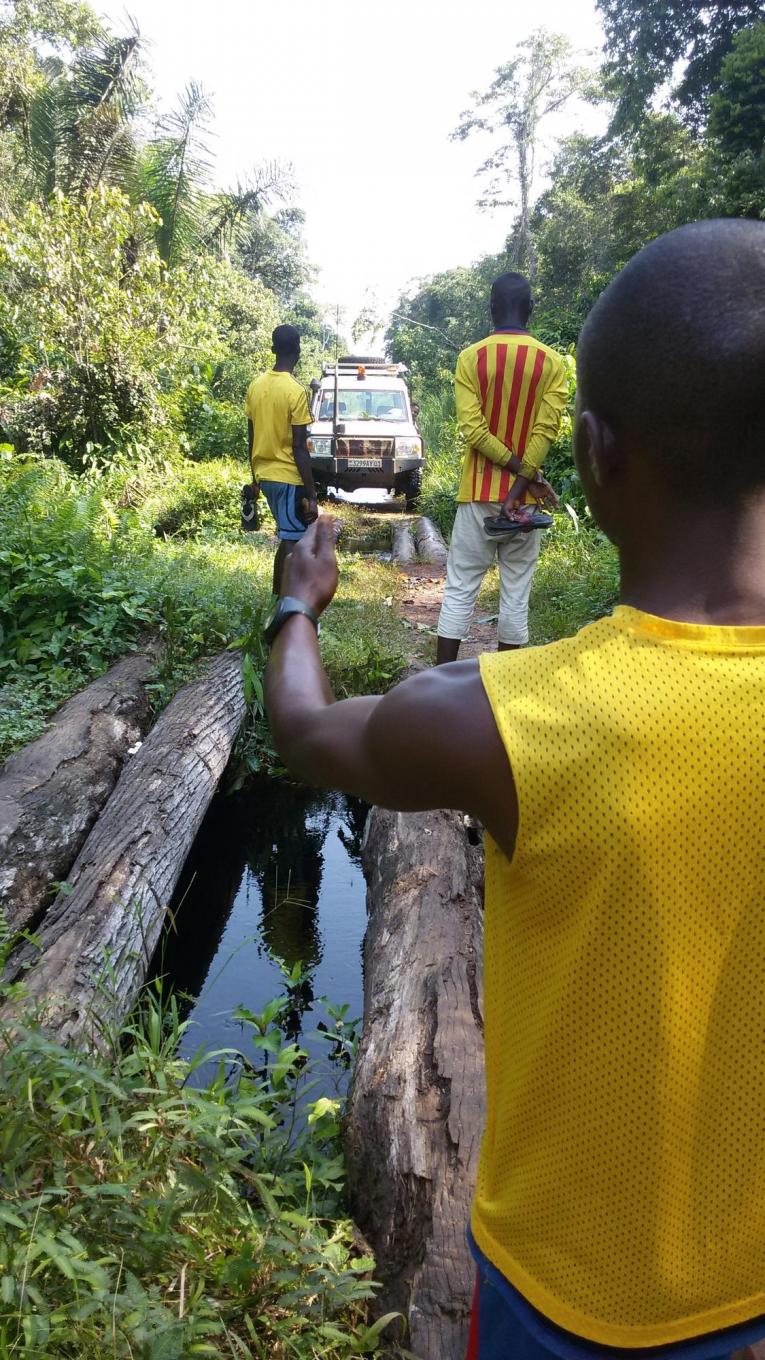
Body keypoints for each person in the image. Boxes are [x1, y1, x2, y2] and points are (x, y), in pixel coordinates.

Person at [262, 217, 765, 1359]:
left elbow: (301, 729)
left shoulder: (501, 720)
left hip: (562, 1301)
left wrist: (299, 602)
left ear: (595, 451)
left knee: (474, 608)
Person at [436, 272, 569, 664]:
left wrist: (511, 475)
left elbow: (473, 431)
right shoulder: (552, 363)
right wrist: (525, 484)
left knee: (460, 587)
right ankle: (507, 688)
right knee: (516, 591)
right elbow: (545, 432)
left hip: (477, 494)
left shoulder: (471, 358)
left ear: (491, 307)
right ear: (530, 309)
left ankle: (441, 683)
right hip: (526, 504)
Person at [245, 323, 317, 595]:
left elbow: (250, 436)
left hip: (265, 475)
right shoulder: (296, 392)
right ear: (298, 350)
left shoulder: (255, 386)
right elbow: (299, 447)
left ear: (273, 349)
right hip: (287, 477)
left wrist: (255, 478)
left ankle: (284, 602)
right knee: (292, 541)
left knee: (291, 537)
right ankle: (283, 607)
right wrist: (312, 494)